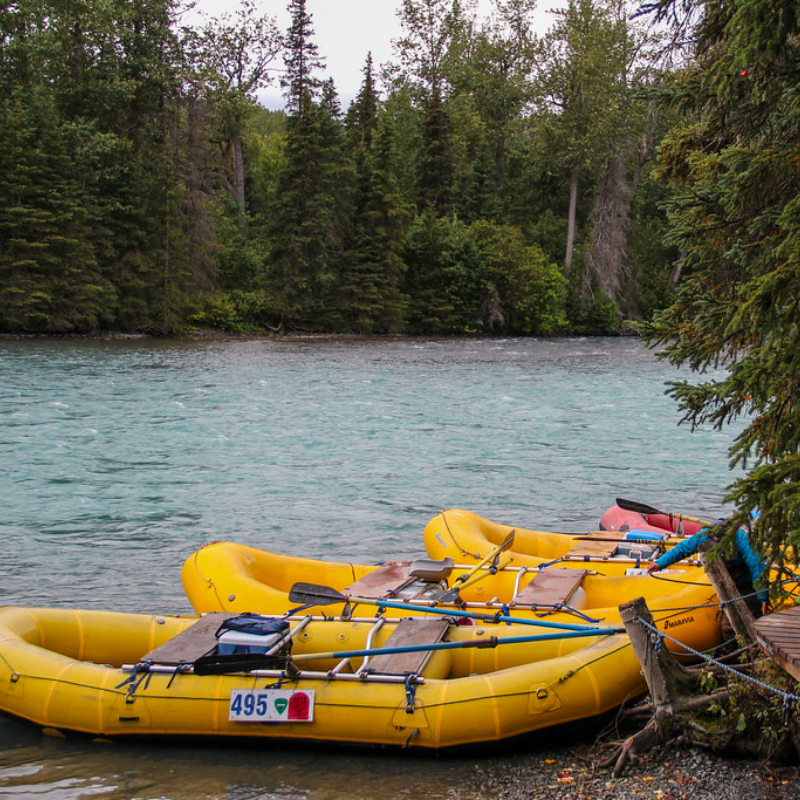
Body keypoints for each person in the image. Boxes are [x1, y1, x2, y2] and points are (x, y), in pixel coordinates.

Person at [647, 525, 769, 613]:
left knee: (750, 611)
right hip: (724, 581)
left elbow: (756, 565)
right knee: (728, 626)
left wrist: (762, 596)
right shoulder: (704, 536)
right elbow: (683, 548)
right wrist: (660, 563)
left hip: (746, 582)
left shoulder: (741, 539)